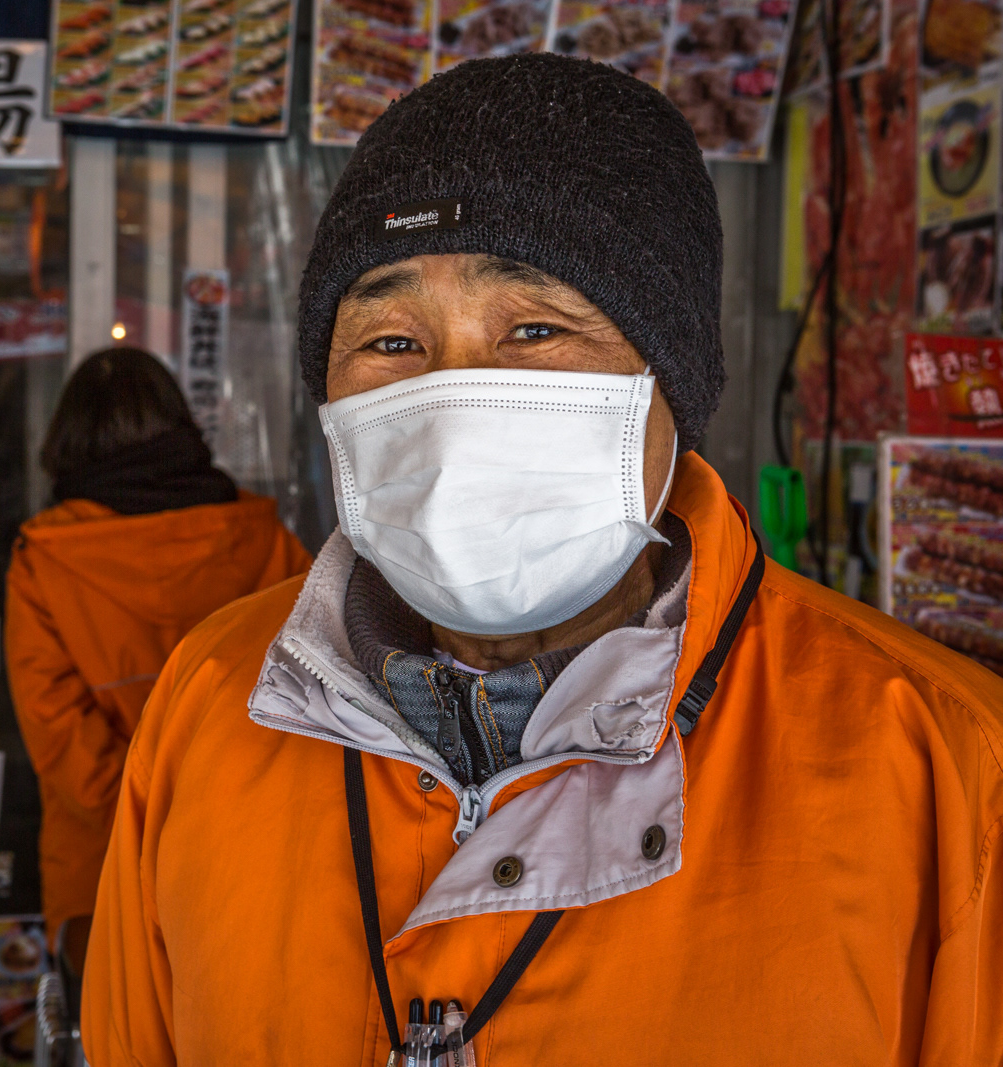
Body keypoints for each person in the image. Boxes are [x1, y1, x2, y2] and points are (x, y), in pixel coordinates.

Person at [83, 55, 1003, 1064]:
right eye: (389, 341)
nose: (453, 399)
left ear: (670, 386)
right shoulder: (211, 699)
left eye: (532, 327)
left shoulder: (940, 764)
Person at [5, 347, 312, 951]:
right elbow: (311, 701)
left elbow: (57, 727)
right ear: (180, 426)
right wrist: (206, 805)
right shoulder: (266, 543)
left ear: (68, 438)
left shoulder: (44, 558)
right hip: (246, 860)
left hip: (99, 872)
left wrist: (143, 811)